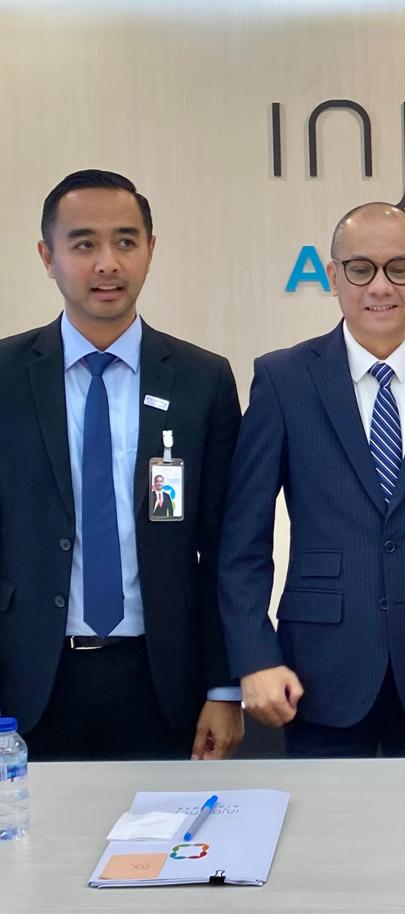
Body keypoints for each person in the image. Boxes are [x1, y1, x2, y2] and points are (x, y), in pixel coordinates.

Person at [218, 202, 405, 758]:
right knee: (324, 816)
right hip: (318, 665)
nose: (380, 286)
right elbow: (242, 540)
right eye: (360, 269)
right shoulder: (283, 378)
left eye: (399, 268)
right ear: (333, 276)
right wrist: (255, 655)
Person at [0, 169, 243, 760]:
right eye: (83, 243)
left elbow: (226, 547)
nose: (107, 263)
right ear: (47, 257)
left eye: (126, 241)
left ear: (150, 250)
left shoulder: (202, 380)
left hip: (163, 684)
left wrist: (223, 687)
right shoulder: (6, 376)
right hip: (27, 681)